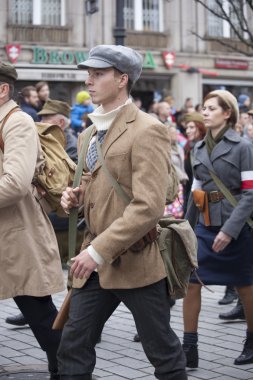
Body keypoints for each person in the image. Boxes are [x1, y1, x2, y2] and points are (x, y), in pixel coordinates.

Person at [58, 44, 187, 380]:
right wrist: (76, 196)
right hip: (96, 260)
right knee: (72, 344)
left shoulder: (147, 128)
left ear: (122, 80)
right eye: (88, 73)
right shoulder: (89, 131)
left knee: (162, 351)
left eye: (98, 74)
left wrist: (97, 251)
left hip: (136, 259)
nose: (89, 80)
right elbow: (96, 183)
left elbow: (148, 205)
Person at [0, 62, 65, 379]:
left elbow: (14, 183)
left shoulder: (18, 122)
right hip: (8, 231)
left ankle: (68, 368)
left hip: (18, 232)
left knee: (38, 312)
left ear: (2, 90)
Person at [183, 90, 253, 368]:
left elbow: (250, 193)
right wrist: (185, 229)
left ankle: (251, 340)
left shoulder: (243, 147)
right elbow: (195, 192)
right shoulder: (197, 149)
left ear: (227, 113)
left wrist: (230, 231)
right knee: (191, 283)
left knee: (245, 285)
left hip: (236, 227)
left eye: (212, 108)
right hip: (206, 225)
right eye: (204, 108)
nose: (206, 112)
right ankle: (189, 347)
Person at [183, 112, 206, 214]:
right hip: (191, 196)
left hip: (206, 199)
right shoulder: (188, 148)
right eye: (187, 128)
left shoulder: (208, 148)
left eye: (192, 127)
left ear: (201, 128)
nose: (187, 131)